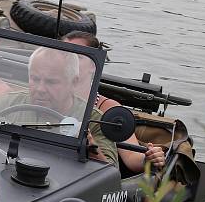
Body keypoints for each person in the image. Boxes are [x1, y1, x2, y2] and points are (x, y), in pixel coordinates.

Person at [0, 46, 117, 165]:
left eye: (51, 82)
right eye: (35, 79)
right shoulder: (4, 104)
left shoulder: (93, 120)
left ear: (74, 82)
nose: (40, 89)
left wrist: (88, 144)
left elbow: (109, 172)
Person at [61, 30, 165, 173]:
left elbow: (131, 157)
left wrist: (150, 158)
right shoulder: (42, 95)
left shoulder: (107, 108)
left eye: (78, 56)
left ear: (94, 65)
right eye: (64, 55)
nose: (70, 62)